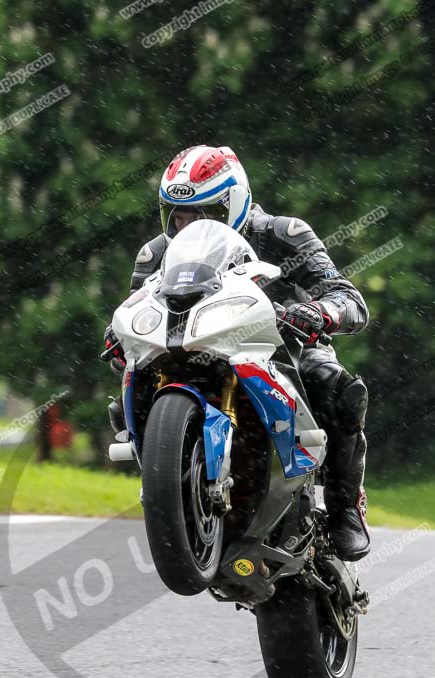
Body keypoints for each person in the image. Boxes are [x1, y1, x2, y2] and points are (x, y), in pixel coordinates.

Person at [104, 145, 370, 561]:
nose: (186, 224)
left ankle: (344, 508)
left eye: (201, 213)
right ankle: (175, 490)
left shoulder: (283, 234)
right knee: (125, 396)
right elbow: (136, 305)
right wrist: (118, 336)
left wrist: (318, 312)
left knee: (337, 387)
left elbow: (348, 298)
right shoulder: (156, 253)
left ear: (235, 202)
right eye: (177, 214)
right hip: (186, 348)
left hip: (281, 350)